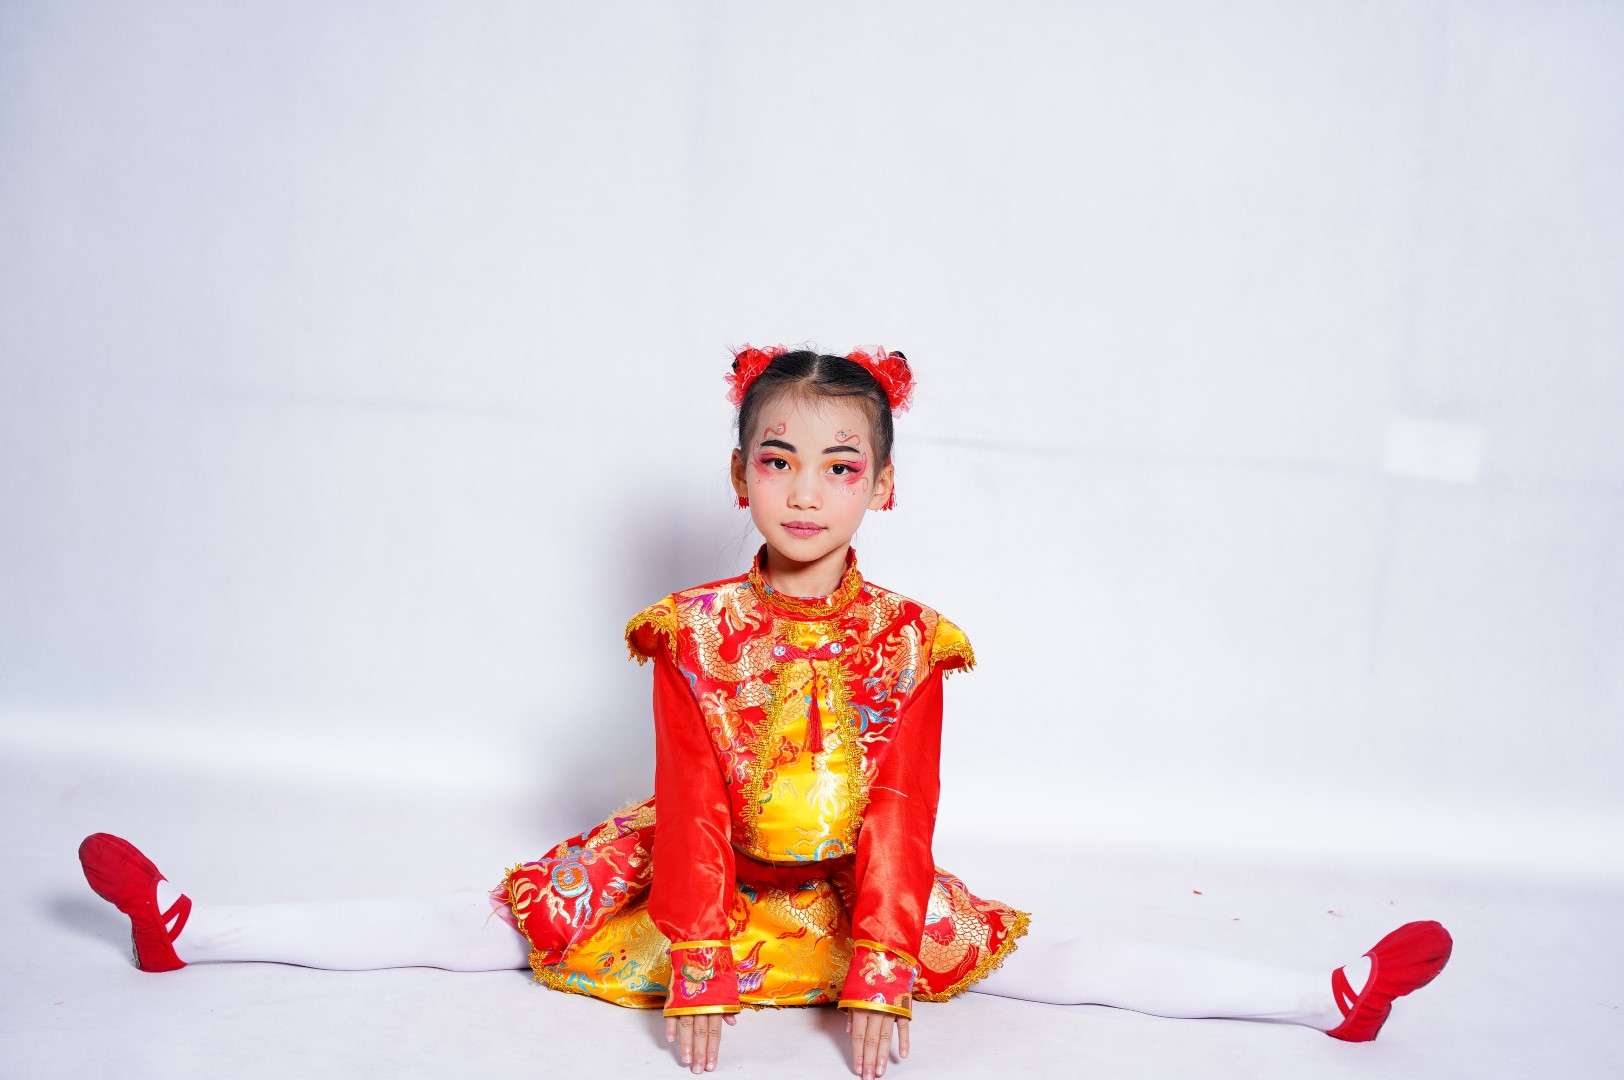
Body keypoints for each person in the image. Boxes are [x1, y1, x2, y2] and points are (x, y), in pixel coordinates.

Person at [78, 346, 1453, 1079]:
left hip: (855, 880)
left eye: (839, 466)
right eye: (780, 459)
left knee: (1046, 958)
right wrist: (699, 958)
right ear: (739, 476)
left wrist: (881, 966)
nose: (806, 490)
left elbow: (903, 805)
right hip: (700, 874)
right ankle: (196, 929)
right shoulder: (693, 629)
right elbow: (690, 797)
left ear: (883, 489)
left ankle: (1321, 998)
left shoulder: (911, 642)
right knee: (479, 929)